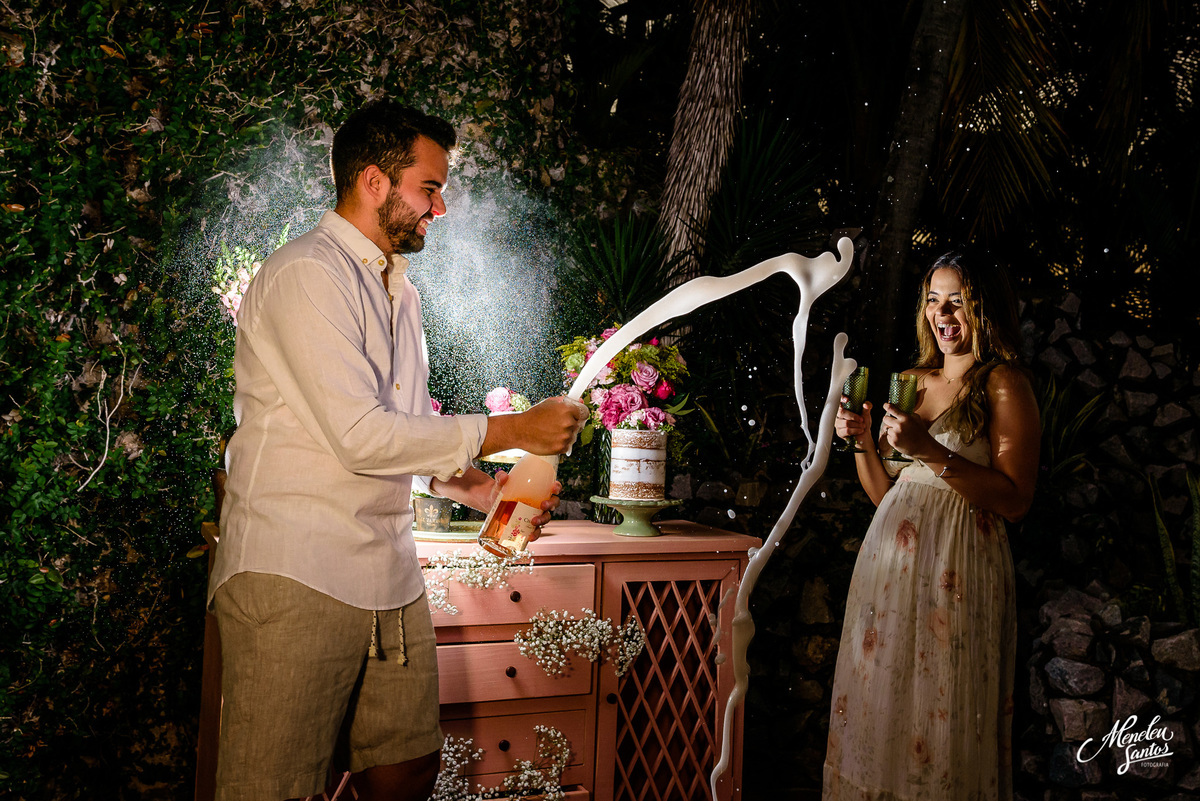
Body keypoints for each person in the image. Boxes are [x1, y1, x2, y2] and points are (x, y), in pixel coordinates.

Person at [207, 99, 587, 801]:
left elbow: (403, 429)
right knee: (275, 786)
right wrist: (512, 431)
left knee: (406, 767)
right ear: (375, 182)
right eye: (430, 187)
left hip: (387, 573)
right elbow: (360, 435)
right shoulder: (306, 275)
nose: (439, 210)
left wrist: (480, 488)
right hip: (297, 569)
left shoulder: (399, 292)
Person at [823, 251, 1040, 800]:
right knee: (884, 697)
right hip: (890, 566)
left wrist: (926, 449)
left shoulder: (1004, 385)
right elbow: (886, 497)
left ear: (984, 309)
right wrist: (862, 440)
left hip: (959, 566)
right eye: (934, 300)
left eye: (958, 301)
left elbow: (1015, 501)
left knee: (943, 701)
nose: (943, 314)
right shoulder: (911, 381)